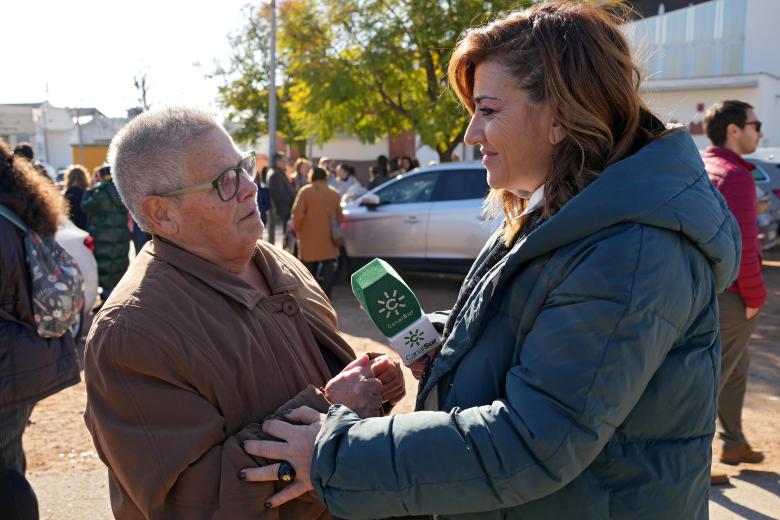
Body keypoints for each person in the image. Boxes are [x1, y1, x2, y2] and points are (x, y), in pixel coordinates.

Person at [240, 3, 741, 518]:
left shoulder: (630, 248)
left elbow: (531, 443)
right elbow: (542, 332)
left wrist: (333, 453)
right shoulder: (564, 212)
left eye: (489, 109)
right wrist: (450, 346)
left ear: (561, 116)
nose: (470, 134)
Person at [83, 106, 404, 519]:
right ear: (161, 213)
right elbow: (188, 503)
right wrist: (329, 412)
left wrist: (370, 388)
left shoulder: (276, 260)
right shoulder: (131, 333)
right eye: (224, 182)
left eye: (244, 167)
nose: (250, 187)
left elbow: (324, 380)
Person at [0, 138, 80, 519]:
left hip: (8, 363)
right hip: (21, 361)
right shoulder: (17, 213)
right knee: (8, 460)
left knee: (5, 474)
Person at [702, 100, 767, 483]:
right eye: (755, 124)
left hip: (709, 289)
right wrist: (755, 299)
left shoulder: (706, 166)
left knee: (735, 369)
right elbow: (744, 248)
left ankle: (734, 442)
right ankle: (697, 461)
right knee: (713, 377)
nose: (760, 132)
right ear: (734, 130)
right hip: (733, 295)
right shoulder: (736, 176)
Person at [291, 167, 343, 298]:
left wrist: (298, 230)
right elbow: (340, 217)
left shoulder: (305, 192)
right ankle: (327, 296)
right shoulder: (334, 193)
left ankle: (310, 295)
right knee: (328, 267)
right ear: (325, 177)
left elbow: (297, 215)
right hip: (328, 238)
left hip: (308, 237)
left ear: (311, 177)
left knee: (308, 269)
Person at [81, 165, 129, 301]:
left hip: (102, 237)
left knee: (105, 267)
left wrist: (89, 188)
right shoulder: (123, 191)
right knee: (117, 265)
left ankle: (108, 300)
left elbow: (85, 206)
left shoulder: (99, 192)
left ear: (101, 176)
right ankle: (116, 296)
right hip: (121, 237)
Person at [266, 152, 295, 247]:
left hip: (285, 211)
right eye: (284, 161)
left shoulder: (280, 174)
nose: (286, 163)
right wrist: (292, 202)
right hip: (282, 213)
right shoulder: (275, 175)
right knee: (284, 241)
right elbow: (280, 196)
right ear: (277, 162)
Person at [62, 164, 90, 229]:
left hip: (73, 227)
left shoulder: (69, 193)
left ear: (69, 178)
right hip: (87, 225)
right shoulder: (87, 191)